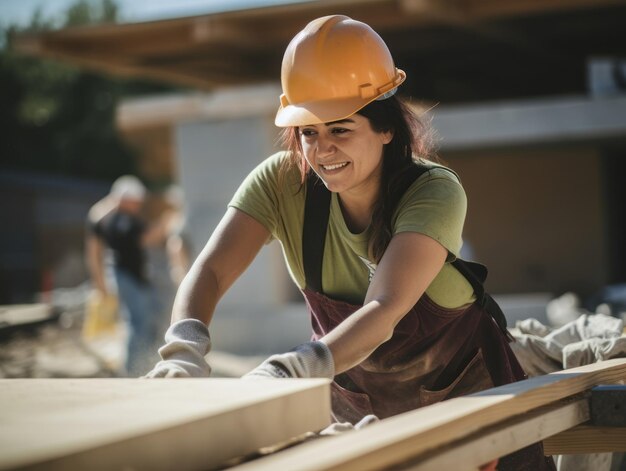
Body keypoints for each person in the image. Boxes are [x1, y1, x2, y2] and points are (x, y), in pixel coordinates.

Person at [144, 15, 555, 470]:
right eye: (308, 133)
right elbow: (212, 270)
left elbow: (384, 309)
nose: (322, 151)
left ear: (387, 129)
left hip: (471, 413)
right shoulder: (281, 184)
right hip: (359, 424)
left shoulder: (434, 191)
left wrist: (295, 367)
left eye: (341, 129)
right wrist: (184, 346)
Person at [86, 175, 172, 376]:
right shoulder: (123, 221)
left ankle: (139, 365)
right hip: (129, 278)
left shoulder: (111, 219)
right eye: (136, 201)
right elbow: (148, 238)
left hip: (127, 277)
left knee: (140, 322)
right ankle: (134, 370)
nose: (139, 205)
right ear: (127, 199)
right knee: (138, 324)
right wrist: (167, 221)